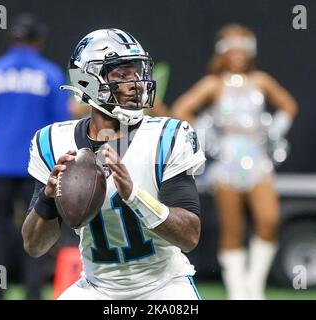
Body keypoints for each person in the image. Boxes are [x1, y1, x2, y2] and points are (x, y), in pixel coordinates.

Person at [22, 28, 206, 300]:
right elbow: (34, 245)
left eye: (138, 72)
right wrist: (48, 200)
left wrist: (135, 196)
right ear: (87, 81)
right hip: (96, 288)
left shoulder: (167, 136)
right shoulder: (52, 141)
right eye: (122, 75)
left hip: (164, 288)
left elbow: (190, 236)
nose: (136, 83)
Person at [172, 24, 298, 300]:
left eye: (243, 48)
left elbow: (289, 105)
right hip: (227, 162)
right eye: (232, 48)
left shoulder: (261, 81)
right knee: (232, 228)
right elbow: (182, 109)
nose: (238, 54)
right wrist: (206, 136)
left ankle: (254, 286)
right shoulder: (213, 84)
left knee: (269, 220)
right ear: (222, 53)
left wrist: (275, 130)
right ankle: (238, 291)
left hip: (258, 159)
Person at [0, 13, 70, 299]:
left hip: (1, 165)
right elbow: (60, 121)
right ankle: (33, 292)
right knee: (37, 229)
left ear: (12, 38)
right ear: (39, 41)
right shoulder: (50, 74)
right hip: (36, 169)